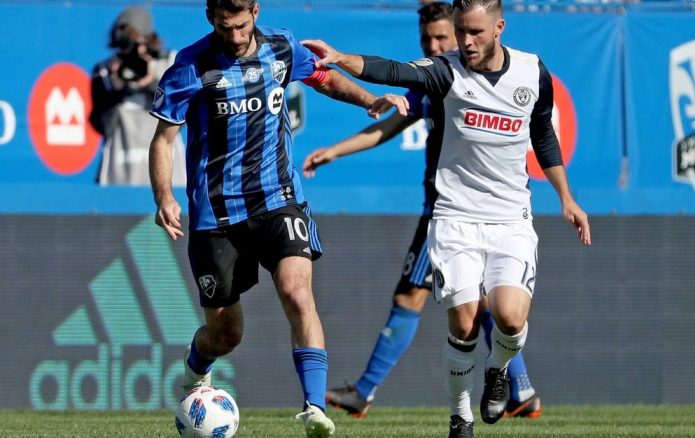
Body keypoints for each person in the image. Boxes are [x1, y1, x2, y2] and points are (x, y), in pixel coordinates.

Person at [302, 0, 591, 436]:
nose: (463, 41)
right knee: (464, 318)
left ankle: (502, 374)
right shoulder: (446, 71)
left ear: (499, 27)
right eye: (458, 32)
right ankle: (461, 415)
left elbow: (543, 131)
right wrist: (343, 59)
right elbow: (395, 72)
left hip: (510, 218)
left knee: (507, 316)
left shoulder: (532, 73)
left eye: (472, 32)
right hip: (454, 214)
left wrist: (566, 197)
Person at [147, 1, 407, 437]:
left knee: (296, 290)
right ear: (211, 19)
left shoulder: (282, 46)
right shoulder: (191, 66)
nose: (234, 35)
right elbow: (163, 139)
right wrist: (163, 197)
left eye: (241, 25)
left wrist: (368, 98)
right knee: (226, 333)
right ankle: (196, 371)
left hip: (278, 198)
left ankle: (314, 408)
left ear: (255, 11)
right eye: (225, 27)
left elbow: (322, 77)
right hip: (217, 214)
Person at [90, 5, 186, 187]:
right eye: (125, 45)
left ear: (149, 39)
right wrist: (118, 89)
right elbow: (103, 126)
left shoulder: (169, 64)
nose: (131, 52)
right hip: (119, 173)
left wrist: (151, 83)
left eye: (136, 42)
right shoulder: (105, 71)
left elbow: (181, 117)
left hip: (168, 175)